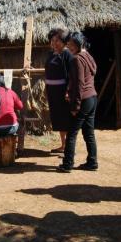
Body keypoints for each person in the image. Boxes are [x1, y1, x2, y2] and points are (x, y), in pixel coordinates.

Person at [57, 32, 98, 172]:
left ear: (78, 44)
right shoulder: (89, 57)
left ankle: (67, 164)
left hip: (84, 99)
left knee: (72, 132)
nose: (68, 46)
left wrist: (76, 105)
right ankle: (92, 162)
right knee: (89, 132)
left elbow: (80, 84)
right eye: (68, 43)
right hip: (92, 98)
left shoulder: (77, 59)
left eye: (71, 44)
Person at [44, 28, 74, 153]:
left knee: (65, 118)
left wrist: (68, 90)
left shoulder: (67, 54)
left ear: (63, 42)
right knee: (58, 118)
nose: (54, 43)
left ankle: (69, 147)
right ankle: (63, 145)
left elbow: (72, 74)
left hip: (63, 91)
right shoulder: (51, 54)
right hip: (52, 91)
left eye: (57, 40)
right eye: (52, 40)